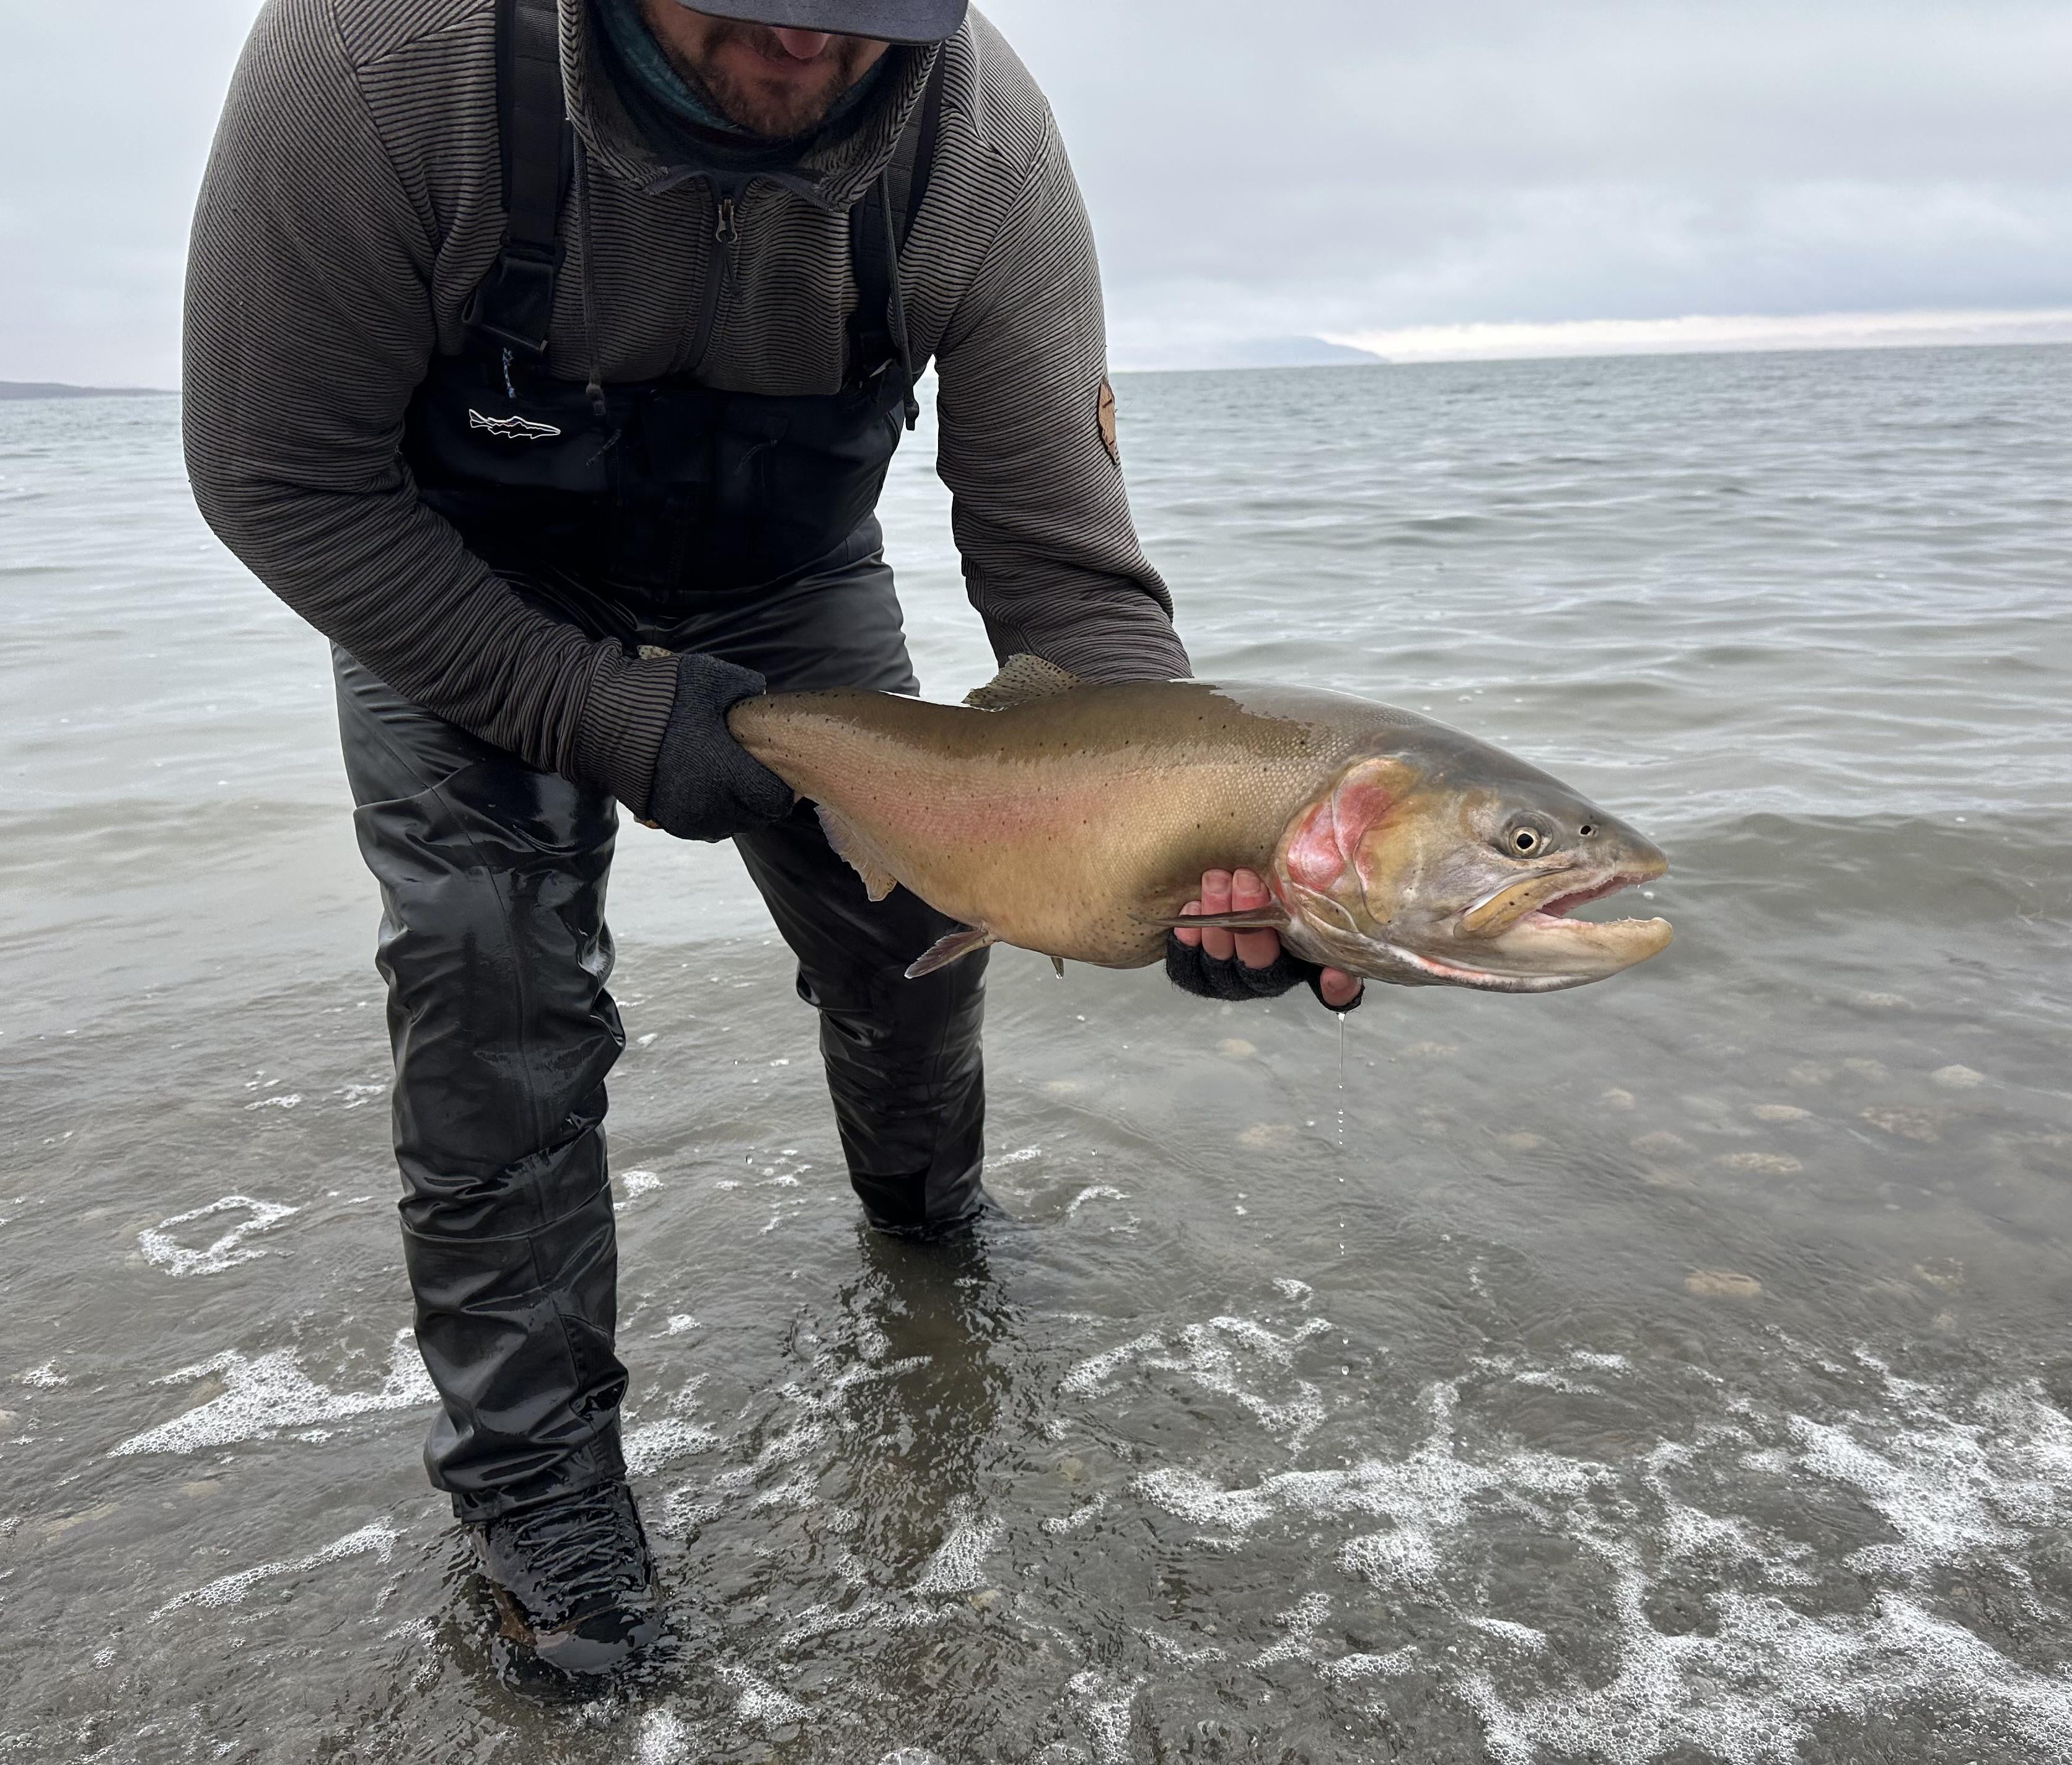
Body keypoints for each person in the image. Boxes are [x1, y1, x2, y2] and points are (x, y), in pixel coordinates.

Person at [184, 0, 1358, 1678]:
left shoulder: (984, 151)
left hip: (787, 578)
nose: (807, 40)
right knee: (490, 975)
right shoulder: (373, 66)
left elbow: (1063, 577)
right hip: (457, 576)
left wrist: (1177, 851)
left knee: (910, 935)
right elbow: (278, 480)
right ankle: (541, 1499)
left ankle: (929, 1235)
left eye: (864, 10)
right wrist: (599, 710)